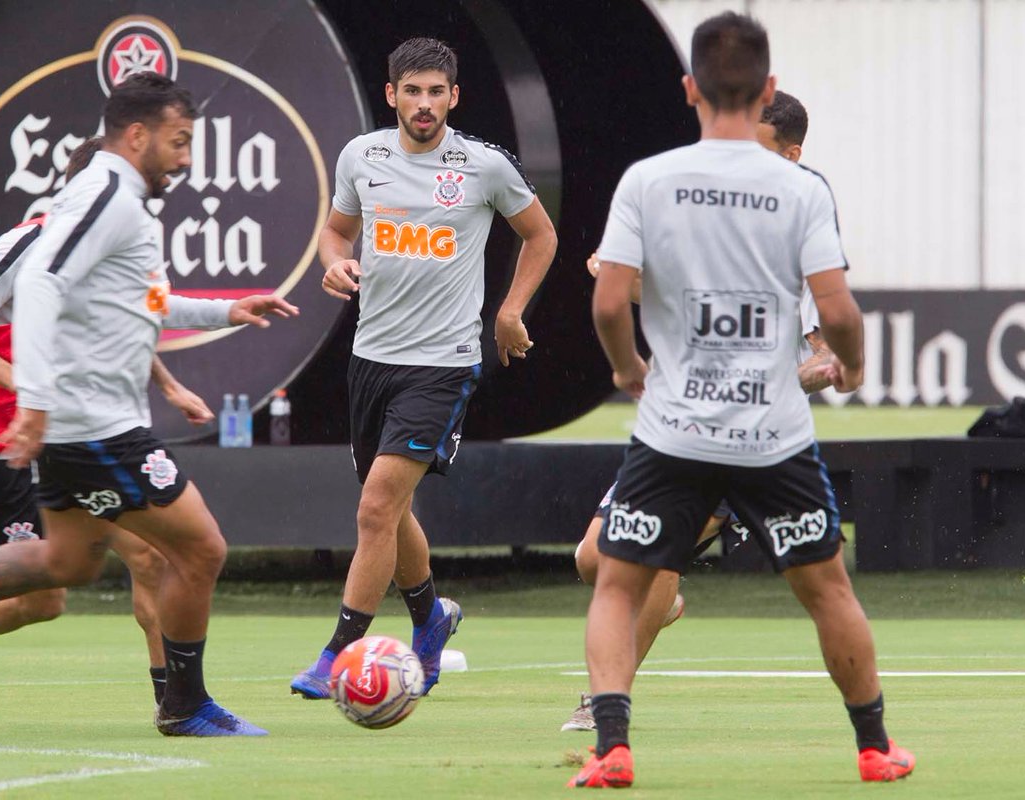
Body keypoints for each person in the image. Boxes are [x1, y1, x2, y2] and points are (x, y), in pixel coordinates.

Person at [0, 72, 298, 737]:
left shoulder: (113, 199)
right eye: (179, 141)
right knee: (201, 549)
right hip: (96, 424)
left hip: (79, 423)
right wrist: (36, 396)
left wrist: (225, 311)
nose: (185, 159)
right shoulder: (109, 196)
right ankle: (184, 706)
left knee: (64, 564)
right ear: (138, 135)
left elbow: (143, 302)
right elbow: (42, 280)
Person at [569, 13, 914, 787]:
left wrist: (626, 368)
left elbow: (608, 300)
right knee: (827, 589)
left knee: (615, 583)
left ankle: (611, 748)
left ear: (690, 88)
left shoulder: (647, 180)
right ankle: (874, 747)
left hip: (674, 429)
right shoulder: (800, 188)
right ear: (767, 88)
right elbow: (838, 311)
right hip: (771, 435)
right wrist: (853, 366)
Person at [561, 88, 838, 733]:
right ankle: (661, 610)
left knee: (660, 553)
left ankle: (605, 702)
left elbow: (827, 357)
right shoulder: (715, 213)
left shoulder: (805, 233)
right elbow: (672, 295)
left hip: (751, 435)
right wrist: (617, 276)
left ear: (791, 156)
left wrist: (788, 376)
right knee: (592, 559)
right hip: (678, 418)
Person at [290, 37, 557, 699]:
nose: (424, 104)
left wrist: (509, 311)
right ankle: (430, 617)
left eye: (436, 92)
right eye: (412, 91)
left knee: (377, 506)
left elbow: (541, 234)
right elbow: (335, 231)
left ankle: (337, 653)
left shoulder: (483, 165)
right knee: (389, 507)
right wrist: (334, 260)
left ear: (454, 97)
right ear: (392, 95)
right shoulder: (362, 156)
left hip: (442, 364)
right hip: (371, 358)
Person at [0, 136, 211, 708]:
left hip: (75, 436)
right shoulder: (29, 243)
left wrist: (168, 384)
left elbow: (123, 320)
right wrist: (29, 389)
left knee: (151, 556)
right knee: (43, 601)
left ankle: (174, 704)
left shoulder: (105, 246)